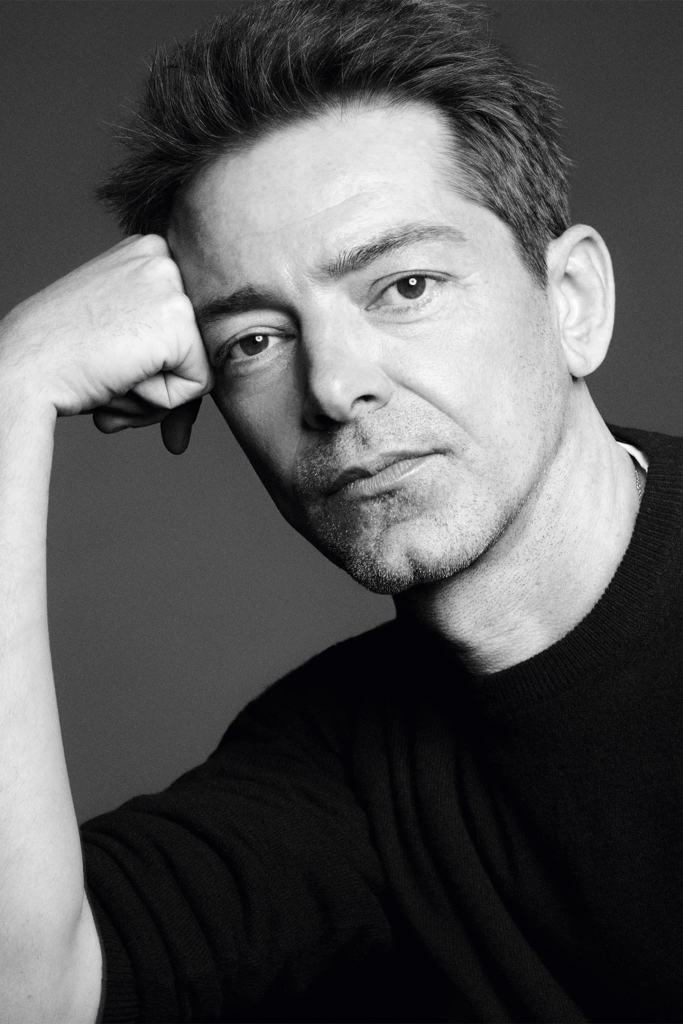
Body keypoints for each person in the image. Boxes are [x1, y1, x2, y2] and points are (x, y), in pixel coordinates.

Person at [0, 0, 680, 1020]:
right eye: (254, 341)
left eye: (404, 286)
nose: (332, 386)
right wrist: (11, 387)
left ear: (571, 300)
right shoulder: (333, 765)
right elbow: (30, 994)